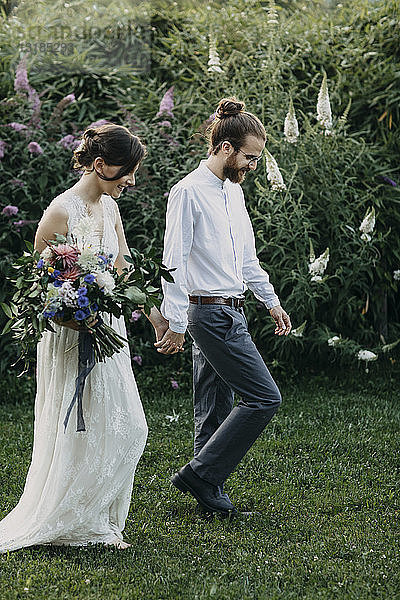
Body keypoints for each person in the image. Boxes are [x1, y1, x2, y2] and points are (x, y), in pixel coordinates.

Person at [0, 124, 168, 552]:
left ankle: (93, 517)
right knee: (81, 425)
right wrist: (76, 317)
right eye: (127, 172)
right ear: (100, 166)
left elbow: (124, 269)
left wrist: (155, 318)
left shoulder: (110, 210)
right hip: (71, 335)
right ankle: (73, 520)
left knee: (127, 426)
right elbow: (39, 286)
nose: (131, 180)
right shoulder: (61, 211)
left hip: (109, 330)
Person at [155, 98, 292, 515]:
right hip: (208, 313)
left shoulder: (233, 193)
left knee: (213, 405)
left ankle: (208, 496)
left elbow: (246, 259)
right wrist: (175, 322)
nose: (252, 166)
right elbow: (172, 261)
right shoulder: (188, 192)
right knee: (264, 398)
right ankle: (200, 475)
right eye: (250, 157)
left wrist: (270, 299)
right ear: (226, 148)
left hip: (231, 308)